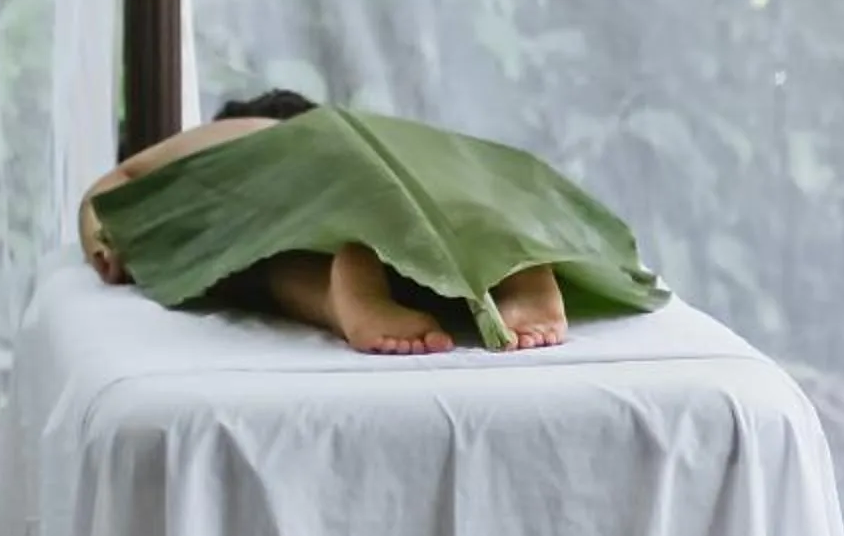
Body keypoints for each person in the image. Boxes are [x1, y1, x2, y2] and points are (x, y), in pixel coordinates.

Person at [79, 91, 645, 355]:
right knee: (442, 234)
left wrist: (105, 238)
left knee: (269, 261)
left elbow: (115, 186)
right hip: (441, 180)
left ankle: (333, 296)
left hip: (306, 180)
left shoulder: (252, 136)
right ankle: (517, 266)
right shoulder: (375, 137)